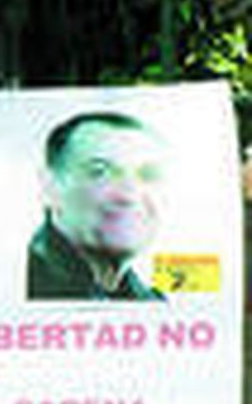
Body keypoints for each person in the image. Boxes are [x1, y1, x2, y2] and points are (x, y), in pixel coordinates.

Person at [26, 111, 166, 301]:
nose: (129, 195)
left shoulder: (153, 305)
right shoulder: (16, 289)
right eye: (100, 172)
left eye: (148, 175)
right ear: (50, 188)